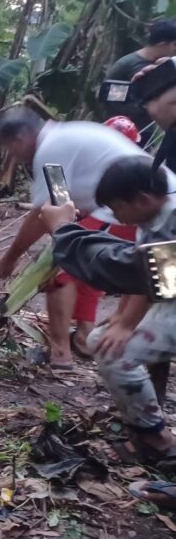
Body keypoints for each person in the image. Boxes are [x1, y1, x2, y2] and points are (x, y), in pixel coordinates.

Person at [39, 157, 176, 476]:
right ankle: (145, 425)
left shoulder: (170, 223)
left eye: (117, 209)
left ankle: (155, 437)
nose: (116, 217)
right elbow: (146, 277)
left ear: (141, 200)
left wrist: (64, 230)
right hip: (169, 298)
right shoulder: (153, 219)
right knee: (109, 335)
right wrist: (122, 318)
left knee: (111, 350)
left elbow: (140, 269)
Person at [0, 108, 151, 367]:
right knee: (86, 263)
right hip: (140, 203)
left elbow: (46, 213)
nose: (13, 157)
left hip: (131, 207)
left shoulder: (50, 151)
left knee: (60, 268)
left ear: (19, 138)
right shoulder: (65, 136)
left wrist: (9, 258)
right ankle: (86, 336)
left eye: (10, 149)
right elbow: (63, 202)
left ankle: (60, 353)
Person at [105, 19, 176, 145]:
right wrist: (144, 106)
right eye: (175, 45)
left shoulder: (168, 66)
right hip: (121, 131)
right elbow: (110, 99)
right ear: (162, 44)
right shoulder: (127, 65)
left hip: (147, 132)